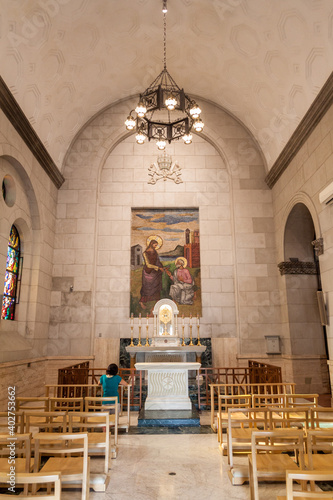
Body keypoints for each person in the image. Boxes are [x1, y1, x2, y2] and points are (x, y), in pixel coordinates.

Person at [139, 236, 165, 309]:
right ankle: (141, 302)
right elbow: (148, 265)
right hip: (148, 272)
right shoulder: (145, 253)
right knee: (147, 287)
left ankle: (157, 301)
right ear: (151, 244)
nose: (156, 247)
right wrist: (158, 268)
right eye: (155, 245)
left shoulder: (155, 252)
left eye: (156, 245)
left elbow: (157, 261)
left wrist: (161, 267)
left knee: (157, 285)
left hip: (155, 272)